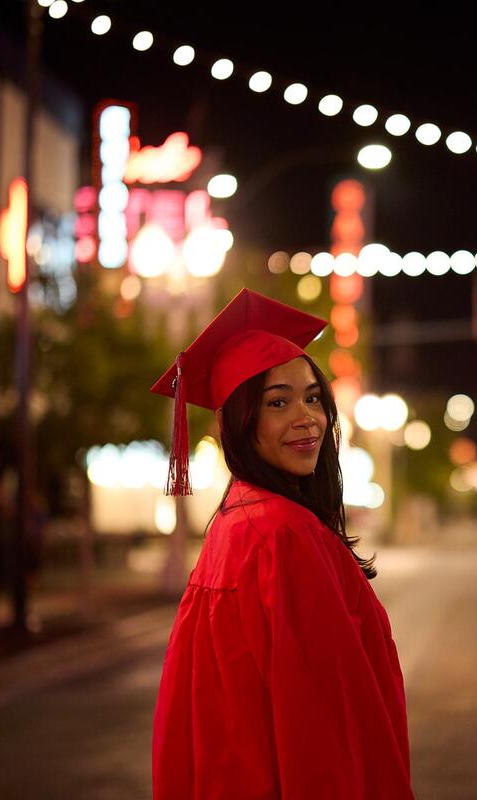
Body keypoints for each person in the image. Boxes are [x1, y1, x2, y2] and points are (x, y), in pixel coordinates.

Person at [150, 288, 414, 799]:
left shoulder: (236, 520)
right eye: (278, 402)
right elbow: (317, 722)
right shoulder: (282, 535)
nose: (307, 418)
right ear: (240, 422)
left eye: (313, 397)